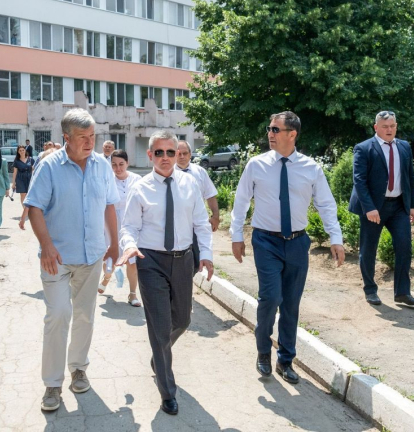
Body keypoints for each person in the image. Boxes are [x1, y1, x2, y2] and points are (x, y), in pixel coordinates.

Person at [230, 111, 345, 385]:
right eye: (269, 129)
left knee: (291, 303)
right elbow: (241, 200)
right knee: (270, 298)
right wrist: (236, 235)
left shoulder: (311, 168)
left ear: (292, 134)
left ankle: (285, 360)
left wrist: (336, 237)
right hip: (265, 240)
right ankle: (263, 351)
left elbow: (326, 204)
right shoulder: (256, 165)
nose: (269, 134)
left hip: (297, 242)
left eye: (275, 129)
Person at [24, 108, 120, 412]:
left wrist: (114, 244)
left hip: (91, 255)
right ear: (66, 138)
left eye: (92, 136)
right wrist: (46, 245)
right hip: (57, 257)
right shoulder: (49, 166)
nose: (90, 142)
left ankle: (78, 367)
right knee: (58, 314)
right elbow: (35, 207)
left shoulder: (101, 166)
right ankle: (52, 383)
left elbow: (109, 205)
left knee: (85, 315)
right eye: (83, 137)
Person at [118, 130, 214, 415]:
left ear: (177, 154)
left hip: (183, 260)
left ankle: (158, 354)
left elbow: (201, 223)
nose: (165, 157)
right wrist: (129, 245)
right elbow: (129, 227)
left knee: (182, 320)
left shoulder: (190, 184)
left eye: (170, 152)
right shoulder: (141, 188)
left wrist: (206, 254)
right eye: (158, 152)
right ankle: (167, 391)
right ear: (150, 155)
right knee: (160, 328)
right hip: (151, 262)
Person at [349, 111, 414, 307]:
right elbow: (359, 181)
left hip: (398, 206)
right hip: (374, 208)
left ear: (396, 126)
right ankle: (370, 290)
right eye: (385, 126)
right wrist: (369, 208)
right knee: (368, 249)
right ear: (376, 127)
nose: (389, 130)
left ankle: (402, 293)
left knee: (404, 246)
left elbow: (410, 177)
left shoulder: (404, 147)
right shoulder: (364, 148)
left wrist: (413, 205)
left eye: (392, 126)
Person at [97, 149, 143, 308]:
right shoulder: (107, 180)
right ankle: (106, 277)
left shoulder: (137, 179)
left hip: (132, 223)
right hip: (112, 223)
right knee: (110, 258)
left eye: (121, 164)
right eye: (114, 165)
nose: (118, 168)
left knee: (131, 260)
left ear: (127, 163)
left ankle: (132, 294)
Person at [176, 140, 220, 274]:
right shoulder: (169, 173)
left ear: (190, 154)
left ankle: (187, 279)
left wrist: (215, 216)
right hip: (177, 224)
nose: (182, 156)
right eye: (178, 153)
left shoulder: (200, 172)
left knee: (196, 259)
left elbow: (210, 195)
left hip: (196, 223)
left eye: (185, 153)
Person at [11, 145, 34, 230]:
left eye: (23, 150)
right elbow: (15, 172)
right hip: (20, 179)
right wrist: (13, 183)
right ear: (18, 152)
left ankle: (28, 210)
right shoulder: (17, 161)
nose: (21, 151)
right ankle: (25, 210)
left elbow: (34, 169)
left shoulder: (30, 159)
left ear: (25, 151)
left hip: (29, 178)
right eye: (20, 150)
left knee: (29, 194)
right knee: (23, 194)